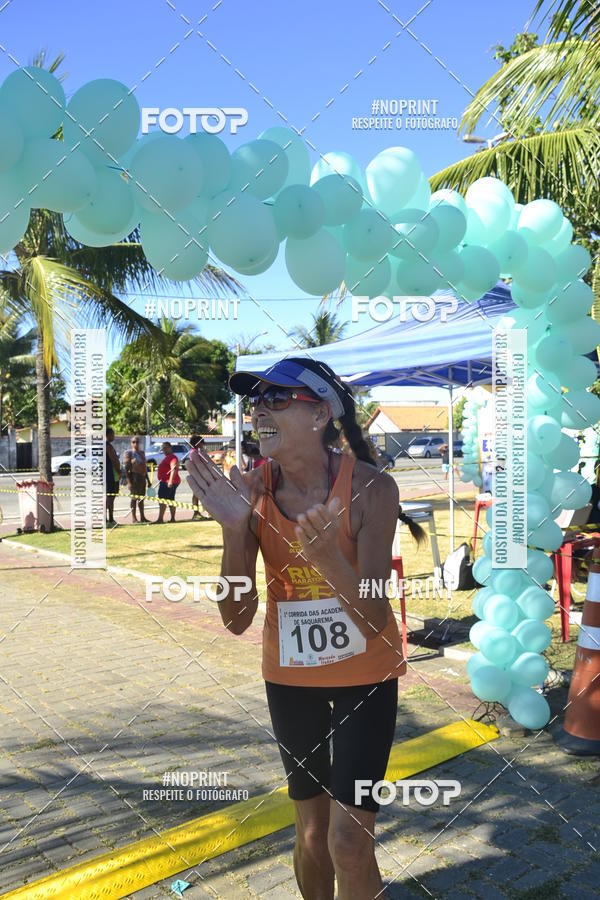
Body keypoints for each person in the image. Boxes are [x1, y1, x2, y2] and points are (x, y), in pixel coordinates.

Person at [187, 357, 425, 900]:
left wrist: (328, 560)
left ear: (320, 414)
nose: (258, 411)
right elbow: (235, 618)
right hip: (291, 683)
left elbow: (374, 617)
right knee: (313, 837)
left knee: (348, 840)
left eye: (276, 399)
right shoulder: (251, 491)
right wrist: (233, 530)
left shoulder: (371, 489)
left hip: (366, 680)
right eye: (255, 401)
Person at [123, 436, 150, 524]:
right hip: (133, 477)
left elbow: (144, 468)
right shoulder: (129, 453)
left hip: (142, 477)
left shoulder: (142, 453)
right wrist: (129, 482)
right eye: (134, 442)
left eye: (137, 442)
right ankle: (134, 518)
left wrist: (148, 480)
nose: (136, 444)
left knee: (141, 499)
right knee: (134, 499)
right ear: (131, 443)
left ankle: (143, 517)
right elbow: (126, 469)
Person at [156, 442, 181, 523]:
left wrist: (170, 481)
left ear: (170, 448)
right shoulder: (168, 457)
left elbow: (174, 468)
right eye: (163, 448)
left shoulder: (172, 457)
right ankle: (172, 518)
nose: (164, 450)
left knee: (162, 499)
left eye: (166, 448)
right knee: (171, 499)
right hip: (168, 481)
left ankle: (160, 519)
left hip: (168, 482)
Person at [105, 427, 120, 525]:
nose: (114, 436)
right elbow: (114, 460)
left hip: (108, 475)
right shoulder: (108, 446)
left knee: (110, 497)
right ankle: (109, 518)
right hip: (111, 475)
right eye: (113, 434)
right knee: (110, 497)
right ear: (109, 435)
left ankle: (109, 518)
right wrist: (119, 471)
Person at [189, 434, 206, 520]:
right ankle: (196, 513)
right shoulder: (194, 452)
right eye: (202, 443)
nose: (203, 444)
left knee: (198, 494)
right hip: (197, 475)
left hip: (199, 475)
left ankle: (197, 512)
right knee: (197, 494)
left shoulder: (195, 451)